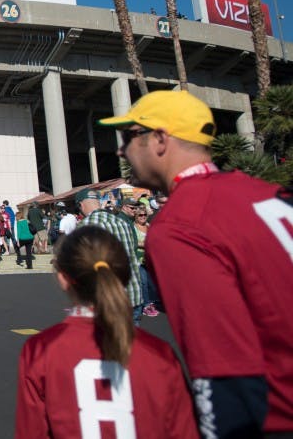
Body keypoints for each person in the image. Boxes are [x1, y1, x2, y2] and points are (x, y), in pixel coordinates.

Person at [99, 90, 293, 435]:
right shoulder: (265, 193)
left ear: (159, 139)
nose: (120, 149)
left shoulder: (181, 224)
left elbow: (223, 369)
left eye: (129, 136)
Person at [15, 226, 197, 438]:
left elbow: (32, 431)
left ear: (63, 278)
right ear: (124, 274)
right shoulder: (159, 354)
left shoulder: (41, 351)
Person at [75, 189, 144, 325]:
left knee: (111, 343)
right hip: (133, 293)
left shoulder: (87, 225)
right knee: (134, 342)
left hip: (110, 297)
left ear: (81, 205)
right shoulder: (122, 222)